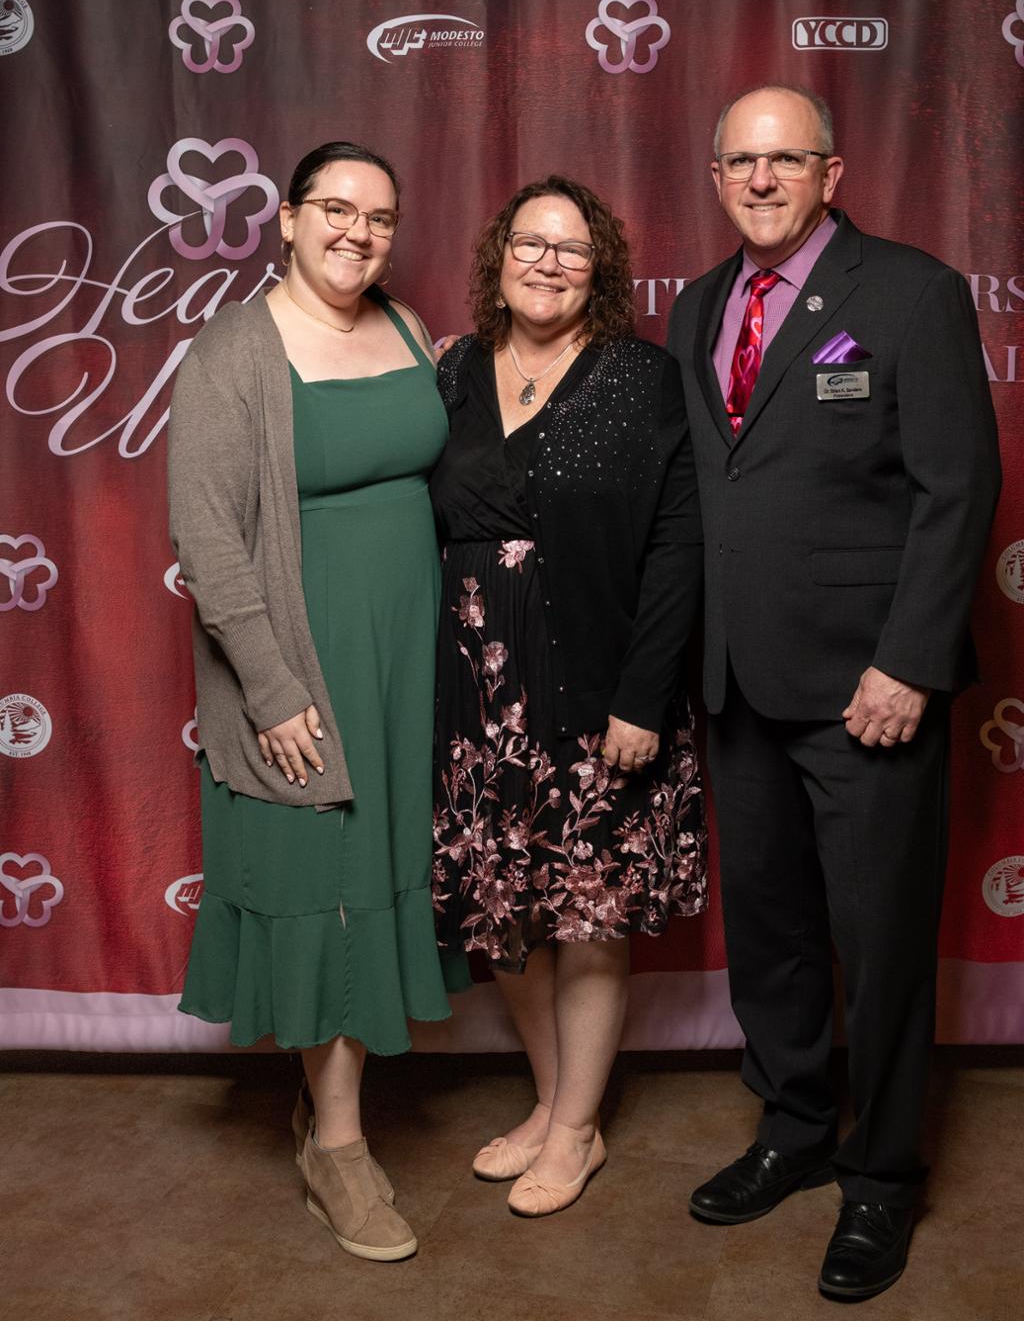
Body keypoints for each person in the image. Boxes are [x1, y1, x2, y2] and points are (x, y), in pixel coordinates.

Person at [667, 85, 1001, 1300]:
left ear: (830, 170)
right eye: (738, 161)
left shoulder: (910, 291)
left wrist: (908, 661)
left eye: (785, 159)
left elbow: (957, 489)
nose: (760, 180)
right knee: (770, 938)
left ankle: (882, 1175)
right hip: (737, 681)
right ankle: (795, 1129)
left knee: (883, 942)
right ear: (715, 175)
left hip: (869, 689)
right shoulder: (700, 306)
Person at [168, 141, 466, 1263]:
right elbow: (205, 535)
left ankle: (325, 1116)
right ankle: (338, 1149)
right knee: (322, 883)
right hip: (302, 663)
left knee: (378, 876)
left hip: (405, 663)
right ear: (285, 219)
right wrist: (273, 687)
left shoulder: (404, 329)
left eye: (380, 217)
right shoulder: (231, 353)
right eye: (335, 210)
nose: (359, 232)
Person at [431, 174, 706, 1217]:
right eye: (529, 244)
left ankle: (581, 1127)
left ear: (601, 271)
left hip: (601, 693)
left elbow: (678, 546)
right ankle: (553, 1107)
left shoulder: (640, 376)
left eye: (572, 248)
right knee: (504, 913)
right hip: (475, 697)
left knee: (591, 918)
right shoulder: (454, 370)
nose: (547, 262)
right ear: (498, 260)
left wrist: (644, 697)